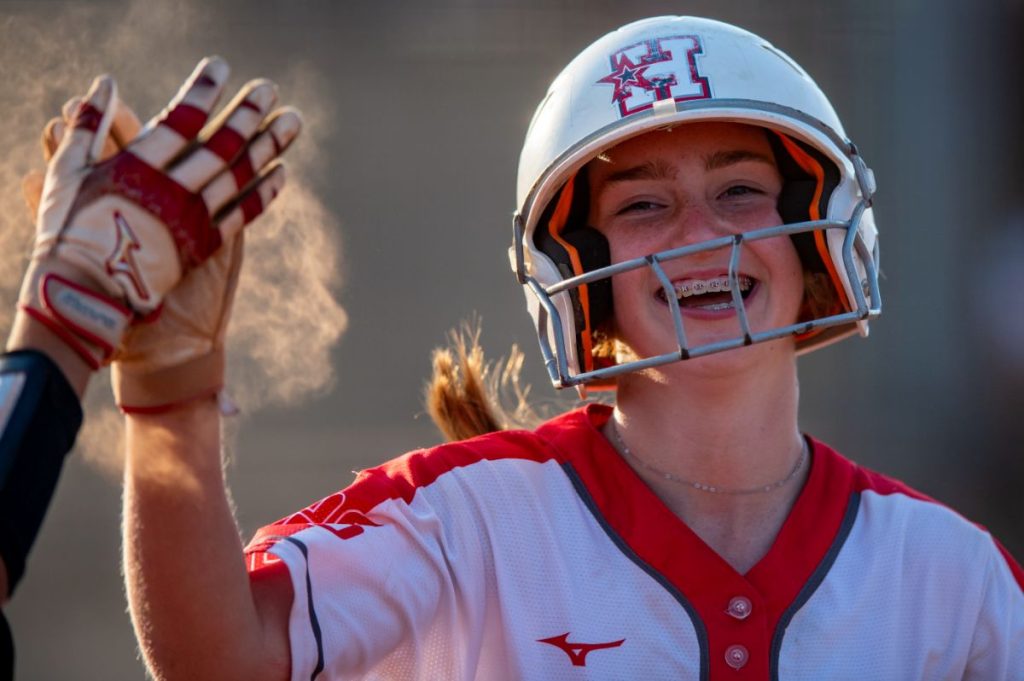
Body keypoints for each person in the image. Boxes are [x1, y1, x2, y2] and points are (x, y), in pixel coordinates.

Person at [62, 16, 1024, 681]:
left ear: (815, 233)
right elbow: (221, 658)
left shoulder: (951, 574)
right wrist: (169, 396)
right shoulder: (464, 522)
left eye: (739, 190)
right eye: (643, 205)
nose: (698, 234)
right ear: (580, 270)